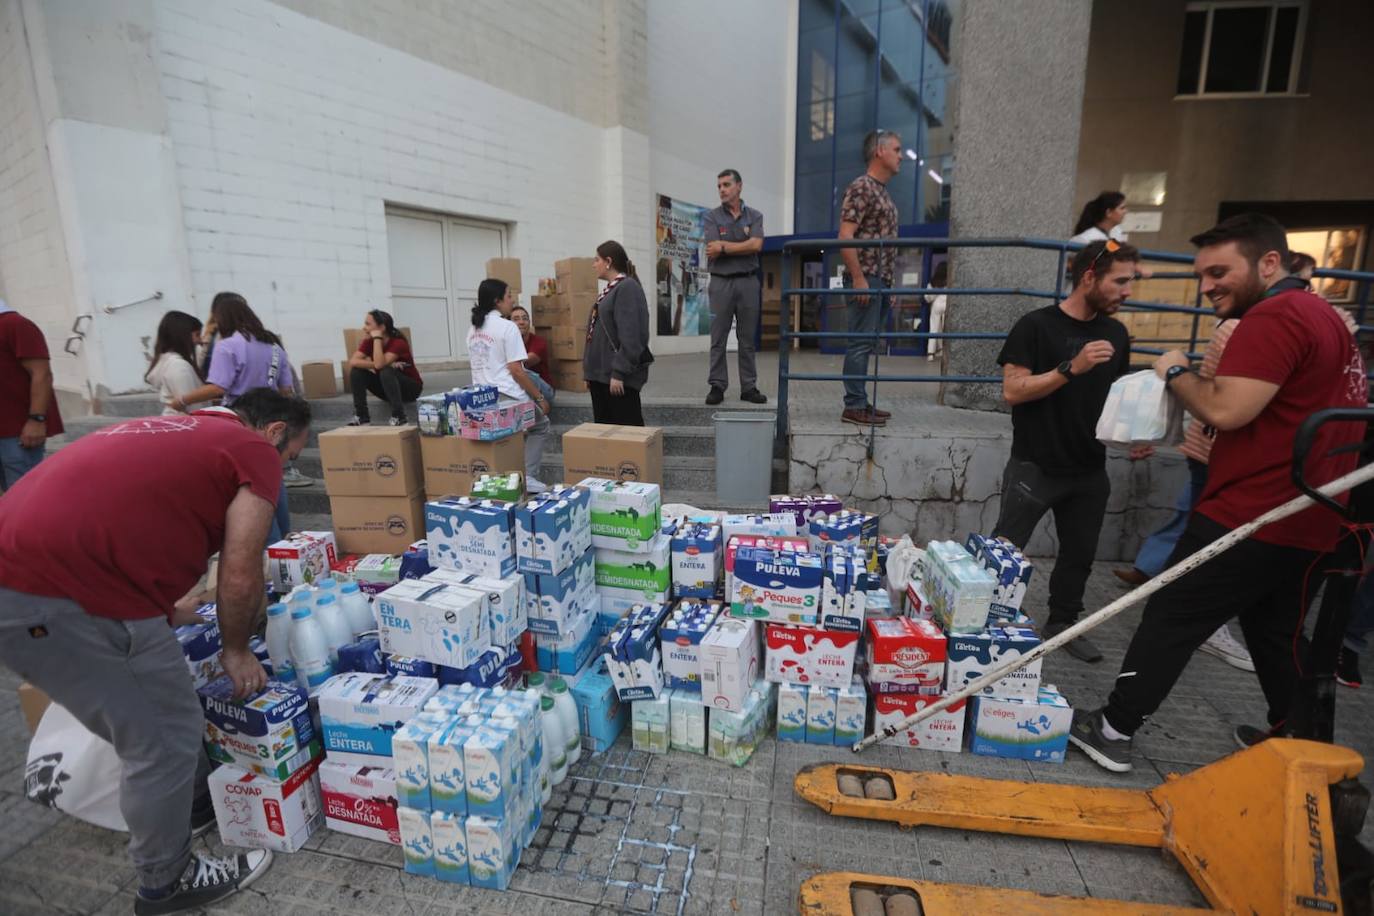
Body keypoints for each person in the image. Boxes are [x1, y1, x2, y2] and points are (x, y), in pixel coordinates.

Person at [1069, 214, 1368, 773]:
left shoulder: (1275, 316)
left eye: (1219, 271)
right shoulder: (1327, 317)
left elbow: (1228, 408)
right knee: (1275, 632)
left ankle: (1112, 728)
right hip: (1310, 516)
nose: (1207, 286)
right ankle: (1293, 738)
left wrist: (1174, 367)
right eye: (1204, 274)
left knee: (1172, 614)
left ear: (1270, 263)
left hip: (1252, 510)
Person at [0, 387, 311, 914]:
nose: (284, 468)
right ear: (275, 432)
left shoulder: (166, 427)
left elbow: (120, 518)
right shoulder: (252, 449)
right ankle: (167, 881)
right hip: (58, 593)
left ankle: (182, 805)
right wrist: (235, 650)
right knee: (164, 737)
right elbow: (240, 570)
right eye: (293, 456)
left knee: (151, 720)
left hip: (27, 573)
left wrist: (165, 610)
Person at [993, 240, 1138, 663]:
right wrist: (1070, 368)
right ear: (1089, 277)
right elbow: (1012, 391)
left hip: (1090, 468)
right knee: (1006, 551)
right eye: (1121, 281)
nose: (1127, 291)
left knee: (1079, 556)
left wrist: (1135, 434)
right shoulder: (1035, 326)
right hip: (1035, 464)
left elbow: (1116, 395)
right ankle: (998, 622)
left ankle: (1063, 624)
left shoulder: (1116, 333)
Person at [1112, 318, 1254, 671]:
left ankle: (1151, 572)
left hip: (1212, 448)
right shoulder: (1239, 329)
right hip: (1216, 450)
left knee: (1189, 516)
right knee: (1202, 527)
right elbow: (1212, 398)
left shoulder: (1246, 327)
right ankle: (1191, 607)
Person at [172, 293, 306, 534]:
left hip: (241, 422)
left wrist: (181, 400)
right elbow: (287, 389)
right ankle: (283, 543)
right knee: (273, 479)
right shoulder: (274, 346)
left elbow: (218, 387)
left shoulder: (228, 346)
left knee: (252, 490)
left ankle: (268, 546)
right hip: (273, 421)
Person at [838, 129, 902, 427]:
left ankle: (860, 399)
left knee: (868, 342)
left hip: (881, 278)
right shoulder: (862, 187)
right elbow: (845, 236)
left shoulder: (881, 191)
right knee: (860, 342)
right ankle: (853, 405)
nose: (901, 156)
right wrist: (859, 279)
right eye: (897, 149)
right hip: (868, 278)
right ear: (880, 151)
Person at [469, 279, 552, 490]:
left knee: (503, 442)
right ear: (497, 301)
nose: (512, 300)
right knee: (541, 426)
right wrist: (540, 398)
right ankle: (529, 477)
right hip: (509, 398)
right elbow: (516, 370)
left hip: (481, 398)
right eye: (509, 296)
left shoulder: (473, 329)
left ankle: (502, 480)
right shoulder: (507, 327)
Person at [703, 169, 767, 406]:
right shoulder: (711, 217)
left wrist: (724, 247)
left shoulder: (755, 216)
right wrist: (743, 244)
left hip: (749, 282)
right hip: (721, 282)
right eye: (719, 186)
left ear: (739, 186)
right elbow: (712, 248)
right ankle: (717, 386)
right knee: (718, 337)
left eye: (726, 185)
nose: (721, 190)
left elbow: (758, 244)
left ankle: (748, 387)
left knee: (747, 339)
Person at [584, 240, 653, 426]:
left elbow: (632, 336)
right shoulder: (611, 289)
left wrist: (619, 373)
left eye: (596, 259)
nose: (593, 264)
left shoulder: (627, 287)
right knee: (606, 433)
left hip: (615, 378)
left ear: (608, 261)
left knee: (627, 432)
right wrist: (590, 373)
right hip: (600, 377)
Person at [0, 298, 63, 491]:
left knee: (27, 494)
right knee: (10, 498)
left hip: (18, 432)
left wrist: (37, 419)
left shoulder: (15, 324)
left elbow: (41, 373)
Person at [347, 308, 423, 426]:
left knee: (386, 370)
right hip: (387, 388)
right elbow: (353, 361)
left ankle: (399, 416)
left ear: (381, 328)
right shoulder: (368, 342)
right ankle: (362, 416)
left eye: (368, 324)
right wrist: (385, 363)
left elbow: (379, 365)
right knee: (357, 371)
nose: (364, 328)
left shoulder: (398, 343)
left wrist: (377, 338)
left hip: (411, 389)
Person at [147, 311, 212, 416]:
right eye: (197, 335)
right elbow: (193, 407)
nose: (199, 340)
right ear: (182, 336)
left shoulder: (169, 362)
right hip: (188, 424)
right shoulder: (178, 366)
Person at [511, 305, 553, 388]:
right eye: (516, 319)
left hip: (543, 388)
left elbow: (524, 363)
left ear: (529, 322)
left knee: (520, 371)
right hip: (520, 388)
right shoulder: (507, 343)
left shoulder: (539, 342)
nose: (521, 322)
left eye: (525, 318)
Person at [923, 261, 949, 362]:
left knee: (934, 329)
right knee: (944, 330)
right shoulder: (950, 281)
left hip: (936, 306)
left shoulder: (933, 282)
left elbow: (927, 298)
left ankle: (930, 353)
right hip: (947, 305)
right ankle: (943, 351)